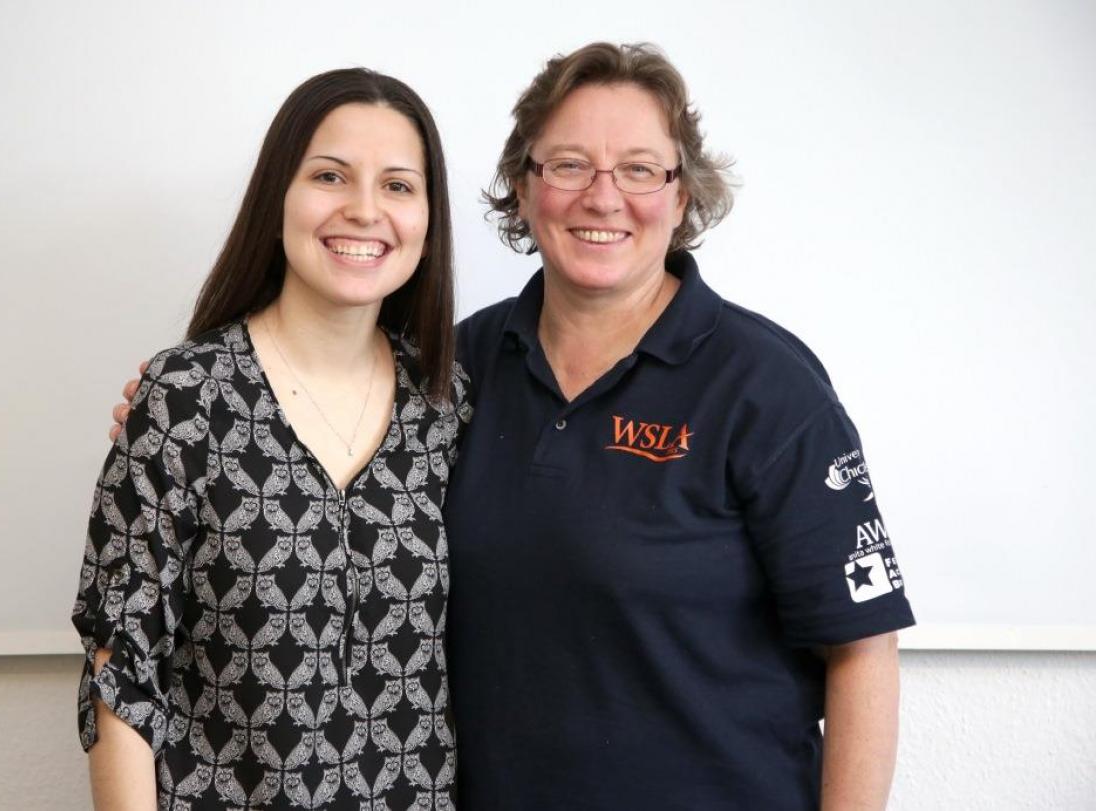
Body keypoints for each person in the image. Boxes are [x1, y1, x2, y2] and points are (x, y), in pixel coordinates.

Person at [112, 43, 914, 810]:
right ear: (523, 189)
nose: (603, 196)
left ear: (682, 195)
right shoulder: (451, 376)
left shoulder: (766, 386)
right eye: (568, 165)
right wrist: (191, 412)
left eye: (639, 169)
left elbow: (862, 649)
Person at [75, 68, 468, 810]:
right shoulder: (186, 397)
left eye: (397, 185)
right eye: (329, 175)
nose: (363, 210)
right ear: (277, 196)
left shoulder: (447, 405)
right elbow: (120, 664)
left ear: (428, 215)